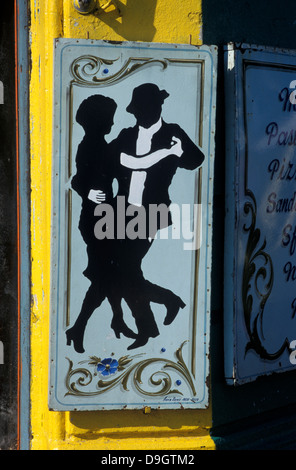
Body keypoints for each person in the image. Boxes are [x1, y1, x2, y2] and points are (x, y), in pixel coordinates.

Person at [111, 83, 205, 349]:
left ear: (158, 107)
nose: (141, 114)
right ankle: (155, 318)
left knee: (126, 270)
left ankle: (158, 312)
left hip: (151, 212)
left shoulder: (172, 132)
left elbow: (196, 160)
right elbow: (112, 160)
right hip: (121, 211)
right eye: (138, 110)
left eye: (146, 108)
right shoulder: (127, 135)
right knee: (125, 272)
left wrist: (177, 151)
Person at [66, 94, 136, 354]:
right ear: (97, 121)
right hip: (95, 219)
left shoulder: (103, 144)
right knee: (104, 277)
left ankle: (115, 320)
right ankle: (81, 327)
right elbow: (77, 179)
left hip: (108, 216)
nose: (112, 122)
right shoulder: (89, 145)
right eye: (109, 118)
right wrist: (89, 193)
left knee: (110, 274)